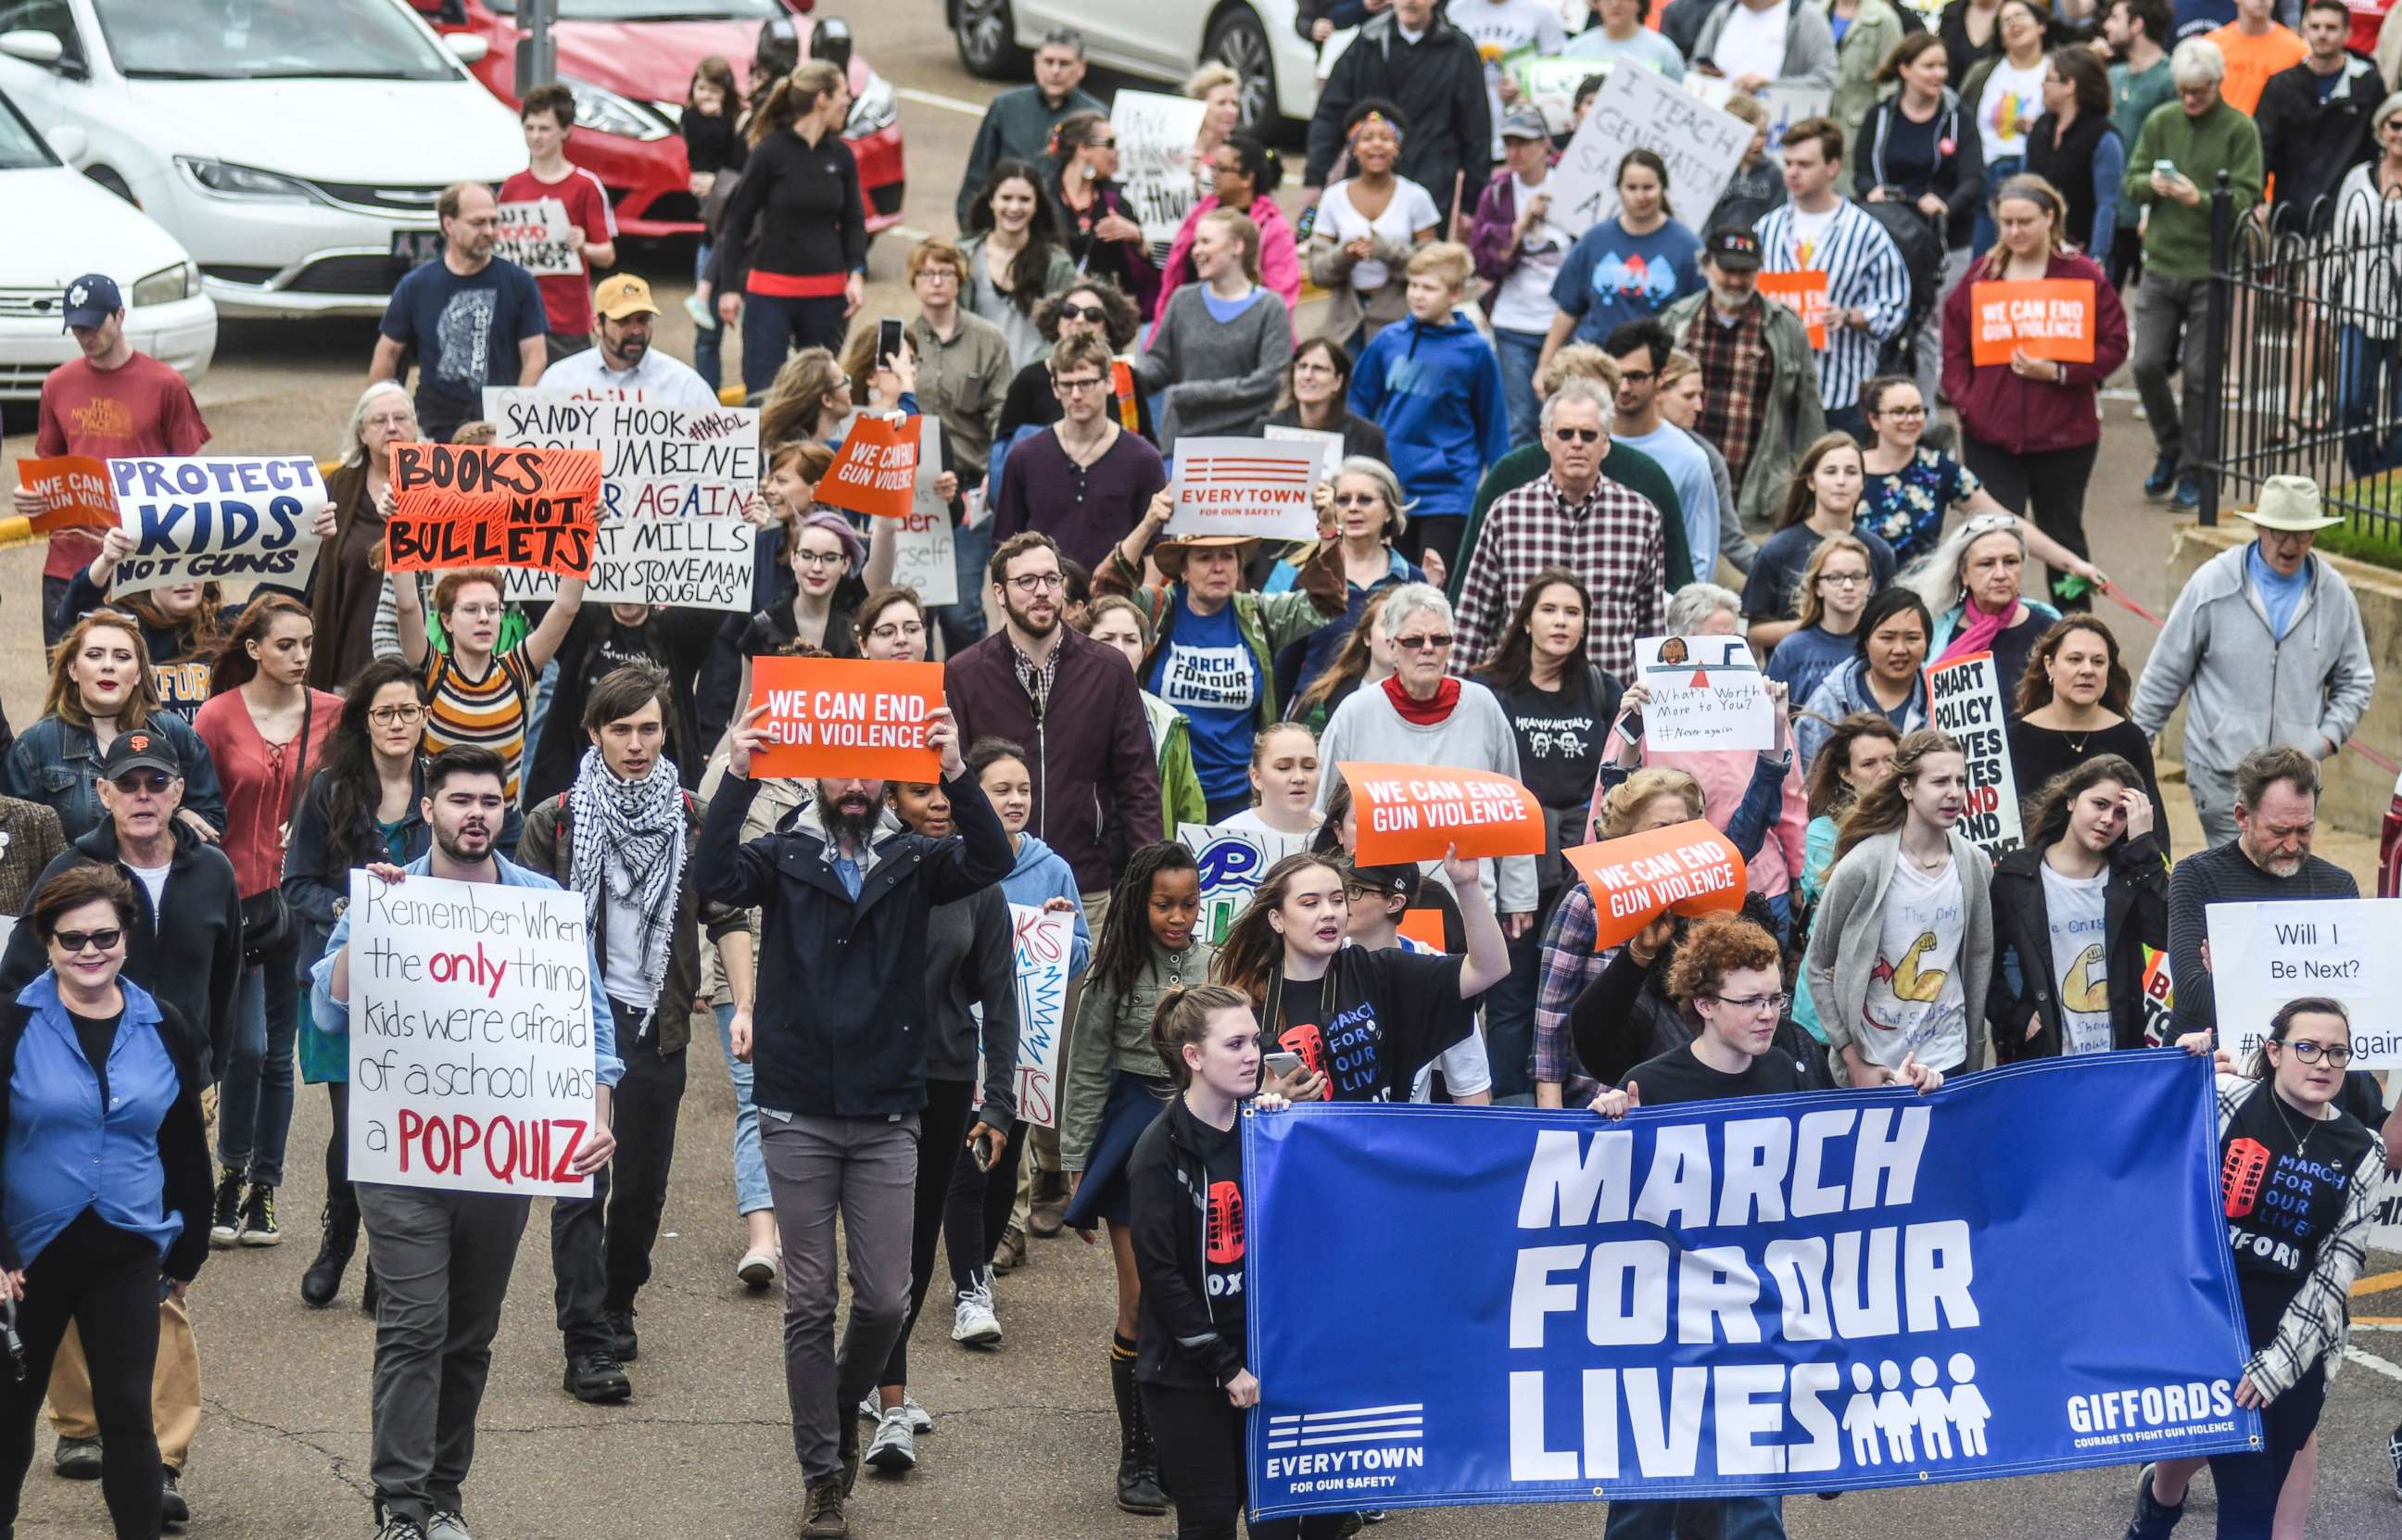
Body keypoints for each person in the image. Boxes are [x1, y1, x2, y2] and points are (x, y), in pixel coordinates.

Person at [698, 693, 1006, 1537]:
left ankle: (837, 1407)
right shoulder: (784, 852)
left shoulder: (916, 858)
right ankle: (821, 1477)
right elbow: (714, 880)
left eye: (872, 768)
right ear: (818, 774)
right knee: (810, 1300)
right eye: (842, 768)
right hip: (796, 1105)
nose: (857, 784)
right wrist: (733, 773)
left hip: (885, 1108)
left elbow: (992, 858)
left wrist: (955, 773)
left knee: (883, 1299)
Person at [311, 746, 620, 1540]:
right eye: (459, 800)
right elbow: (328, 1010)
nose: (475, 814)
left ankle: (445, 1495)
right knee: (414, 1325)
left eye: (489, 800)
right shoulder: (391, 895)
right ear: (429, 809)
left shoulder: (542, 904)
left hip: (502, 1156)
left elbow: (590, 1027)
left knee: (469, 1336)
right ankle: (400, 1506)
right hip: (402, 1154)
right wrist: (370, 926)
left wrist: (596, 1114)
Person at [1584, 911, 1936, 1539]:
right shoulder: (1651, 1084)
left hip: (1759, 1326)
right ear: (1703, 1004)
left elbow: (1838, 1163)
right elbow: (1611, 1208)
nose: (1768, 1013)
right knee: (1650, 1502)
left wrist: (1909, 1094)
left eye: (1774, 996)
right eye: (1749, 1001)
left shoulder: (1788, 1066)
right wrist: (1606, 1122)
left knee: (1751, 1513)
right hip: (1675, 1332)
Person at [0, 726, 239, 1526]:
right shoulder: (12, 1026)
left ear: (125, 939)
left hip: (130, 1248)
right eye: (73, 940)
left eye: (107, 937)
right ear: (47, 944)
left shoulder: (163, 1025)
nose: (92, 951)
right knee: (7, 1428)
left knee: (132, 1426)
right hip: (29, 1254)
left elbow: (181, 1146)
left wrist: (191, 1241)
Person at [517, 664, 746, 1401]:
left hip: (657, 1022)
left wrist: (745, 1004)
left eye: (649, 728)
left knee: (643, 1190)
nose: (637, 743)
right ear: (594, 733)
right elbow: (516, 924)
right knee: (581, 1183)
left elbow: (725, 912)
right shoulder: (555, 820)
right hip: (575, 1025)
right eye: (621, 729)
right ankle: (585, 1343)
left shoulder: (690, 816)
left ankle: (618, 1301)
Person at [2121, 1000, 2386, 1540]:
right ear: (2274, 1051)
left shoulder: (2365, 1151)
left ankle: (2160, 1509)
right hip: (2204, 1319)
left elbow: (2335, 1275)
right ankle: (2159, 1506)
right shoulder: (2223, 1099)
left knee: (2254, 1495)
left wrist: (2278, 1366)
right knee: (2217, 1469)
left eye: (2337, 1052)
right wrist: (2174, 1070)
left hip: (2289, 1336)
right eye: (2306, 1048)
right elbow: (2136, 1125)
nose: (2323, 1063)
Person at [860, 770, 1017, 1475]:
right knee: (882, 1246)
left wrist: (1000, 1104)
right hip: (867, 1086)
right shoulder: (869, 868)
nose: (939, 804)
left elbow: (1003, 1001)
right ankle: (881, 1388)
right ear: (890, 801)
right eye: (919, 793)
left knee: (919, 1245)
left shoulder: (977, 886)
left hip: (947, 1081)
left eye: (945, 792)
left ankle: (878, 1378)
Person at [1126, 989, 1325, 1540]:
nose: (1252, 1055)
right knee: (1211, 1518)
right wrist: (1224, 1366)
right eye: (1234, 1044)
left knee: (1280, 1522)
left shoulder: (1265, 1130)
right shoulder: (1157, 1152)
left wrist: (1287, 1129)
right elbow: (1161, 1277)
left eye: (1255, 1041)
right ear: (1193, 1056)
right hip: (1187, 1374)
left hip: (1265, 1358)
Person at [1056, 842, 1211, 1516]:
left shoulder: (1213, 962)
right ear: (1138, 902)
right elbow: (1088, 1066)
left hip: (1204, 1134)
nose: (1178, 917)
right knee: (1143, 1296)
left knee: (1198, 1291)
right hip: (1133, 1137)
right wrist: (1075, 1162)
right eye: (1164, 904)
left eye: (1189, 903)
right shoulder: (1112, 970)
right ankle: (1138, 1451)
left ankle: (1184, 1444)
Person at [191, 598, 341, 1252]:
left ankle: (265, 1191)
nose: (300, 656)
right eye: (286, 645)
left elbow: (348, 796)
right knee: (244, 1045)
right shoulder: (216, 716)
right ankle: (229, 1173)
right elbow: (197, 801)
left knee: (281, 1050)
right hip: (235, 903)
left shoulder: (333, 715)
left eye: (307, 644)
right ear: (253, 648)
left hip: (299, 903)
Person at [281, 661, 430, 1312]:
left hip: (425, 995)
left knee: (405, 1124)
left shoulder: (445, 789)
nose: (398, 723)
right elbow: (296, 886)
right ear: (364, 721)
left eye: (409, 711)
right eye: (385, 712)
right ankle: (338, 1238)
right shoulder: (329, 790)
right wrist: (352, 910)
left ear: (426, 716)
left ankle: (384, 1261)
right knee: (354, 1125)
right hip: (344, 989)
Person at [2130, 478, 2371, 847]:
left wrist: (2322, 740)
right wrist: (2133, 750)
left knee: (2282, 870)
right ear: (2259, 527)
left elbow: (2356, 680)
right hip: (2221, 772)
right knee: (2237, 876)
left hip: (2295, 778)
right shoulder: (2213, 583)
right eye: (2279, 532)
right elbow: (2166, 671)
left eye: (2302, 534)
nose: (2290, 545)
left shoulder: (2334, 594)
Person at [1311, 584, 1540, 933]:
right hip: (1374, 906)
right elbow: (1322, 811)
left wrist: (1519, 895)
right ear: (1391, 645)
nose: (1428, 649)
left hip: (1468, 902)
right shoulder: (1356, 712)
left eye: (1439, 639)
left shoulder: (1483, 706)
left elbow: (1512, 804)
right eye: (1414, 641)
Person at [1472, 568, 1621, 1103]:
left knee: (1567, 992)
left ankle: (1566, 1098)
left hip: (1581, 861)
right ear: (1527, 621)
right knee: (1511, 991)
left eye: (1573, 612)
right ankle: (1510, 1104)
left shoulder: (1603, 689)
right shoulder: (1489, 688)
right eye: (1550, 610)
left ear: (1585, 625)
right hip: (1515, 855)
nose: (1561, 621)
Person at [951, 532, 1165, 903]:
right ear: (999, 593)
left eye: (1052, 579)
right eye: (1026, 581)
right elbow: (953, 782)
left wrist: (1147, 877)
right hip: (993, 886)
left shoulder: (1109, 669)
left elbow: (1138, 781)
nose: (1041, 591)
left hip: (1087, 883)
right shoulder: (964, 673)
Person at [1100, 514, 1345, 822]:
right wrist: (1149, 522)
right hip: (1164, 790)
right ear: (1183, 571)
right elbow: (1105, 593)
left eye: (1227, 556)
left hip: (1242, 796)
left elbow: (1328, 601)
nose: (1218, 567)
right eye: (1204, 557)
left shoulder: (1257, 613)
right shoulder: (1157, 608)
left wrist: (1328, 528)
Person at [1216, 850, 1509, 1103]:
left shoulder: (1379, 971)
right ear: (1276, 919)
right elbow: (1215, 1108)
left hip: (1375, 1159)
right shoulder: (1245, 998)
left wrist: (1467, 884)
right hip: (1295, 1161)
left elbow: (1489, 969)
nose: (1329, 913)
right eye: (1310, 903)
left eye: (1338, 900)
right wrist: (1266, 1097)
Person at [14, 273, 209, 650]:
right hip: (68, 563)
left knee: (135, 683)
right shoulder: (57, 384)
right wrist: (30, 493)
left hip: (139, 564)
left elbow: (193, 474)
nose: (85, 336)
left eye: (93, 325)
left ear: (119, 316)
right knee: (65, 682)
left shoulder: (165, 384)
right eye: (76, 328)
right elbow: (50, 465)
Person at [1806, 727, 1996, 1085]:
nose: (1954, 793)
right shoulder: (1863, 866)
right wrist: (1853, 1058)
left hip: (1948, 1056)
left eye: (1960, 780)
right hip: (1879, 1062)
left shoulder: (1975, 864)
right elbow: (1817, 967)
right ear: (1907, 788)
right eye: (1939, 782)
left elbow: (1976, 959)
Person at [2124, 38, 2264, 510]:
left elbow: (2247, 197)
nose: (2190, 100)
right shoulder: (2162, 121)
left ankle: (2194, 469)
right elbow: (2133, 178)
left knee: (2203, 375)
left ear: (2217, 85)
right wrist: (2154, 185)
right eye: (2183, 91)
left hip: (2212, 267)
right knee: (2145, 362)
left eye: (2199, 92)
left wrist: (2198, 200)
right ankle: (2172, 444)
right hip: (2162, 261)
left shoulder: (2239, 129)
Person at [1454, 379, 1667, 679]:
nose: (1577, 444)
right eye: (1565, 434)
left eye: (1589, 435)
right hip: (1520, 694)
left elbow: (1652, 626)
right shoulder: (1508, 513)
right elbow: (1473, 619)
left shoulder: (1641, 517)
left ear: (1606, 443)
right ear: (1545, 438)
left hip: (1610, 698)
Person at [1455, 348, 1689, 605]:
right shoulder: (1510, 473)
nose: (1584, 407)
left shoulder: (1646, 476)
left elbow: (1677, 582)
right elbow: (1471, 583)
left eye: (1597, 400)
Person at [2163, 745, 2358, 1044]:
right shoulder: (2195, 877)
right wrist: (2305, 980)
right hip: (2214, 1060)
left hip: (2305, 1064)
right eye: (2279, 831)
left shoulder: (2338, 887)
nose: (2292, 845)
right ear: (2242, 817)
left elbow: (2348, 1001)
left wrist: (2233, 971)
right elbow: (2194, 996)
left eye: (2304, 830)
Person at [1986, 753, 2167, 1060]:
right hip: (2044, 1057)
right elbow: (1985, 961)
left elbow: (2164, 933)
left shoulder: (2129, 876)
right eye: (2099, 804)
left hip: (2117, 1055)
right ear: (2071, 800)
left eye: (2122, 813)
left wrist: (2145, 847)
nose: (2109, 819)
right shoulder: (2017, 875)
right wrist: (2015, 1017)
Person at [1348, 242, 1510, 570]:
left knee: (1435, 591)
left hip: (1449, 492)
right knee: (1393, 589)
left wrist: (1500, 487)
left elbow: (1493, 423)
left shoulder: (1475, 350)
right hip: (1392, 489)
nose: (1418, 295)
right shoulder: (1389, 340)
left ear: (1455, 294)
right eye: (1413, 285)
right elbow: (1357, 404)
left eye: (1429, 288)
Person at [3, 611, 225, 846]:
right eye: (95, 655)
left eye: (122, 657)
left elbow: (211, 822)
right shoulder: (36, 745)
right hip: (71, 881)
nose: (108, 666)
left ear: (139, 673)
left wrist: (178, 817)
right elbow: (16, 840)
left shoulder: (174, 734)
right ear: (73, 669)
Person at [396, 566, 587, 840]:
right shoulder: (433, 670)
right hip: (438, 829)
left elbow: (566, 607)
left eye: (493, 609)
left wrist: (584, 534)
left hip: (503, 830)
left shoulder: (517, 669)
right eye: (471, 610)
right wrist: (397, 537)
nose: (484, 618)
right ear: (447, 621)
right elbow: (407, 607)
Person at [1755, 117, 1913, 438]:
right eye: (1787, 163)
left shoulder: (1864, 232)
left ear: (1832, 167)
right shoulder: (1767, 228)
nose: (1792, 172)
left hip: (1841, 389)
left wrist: (1852, 316)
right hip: (1777, 387)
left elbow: (1896, 303)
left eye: (1804, 164)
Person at [1662, 227, 1830, 528]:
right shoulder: (1677, 322)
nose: (1737, 281)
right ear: (1706, 266)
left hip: (1757, 492)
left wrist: (1807, 476)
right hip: (1684, 481)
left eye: (1746, 271)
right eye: (1728, 270)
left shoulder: (1785, 326)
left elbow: (1808, 407)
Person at [1855, 32, 1987, 410]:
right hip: (1890, 236)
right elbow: (1862, 170)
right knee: (1885, 324)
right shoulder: (1881, 115)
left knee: (1929, 329)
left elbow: (1974, 178)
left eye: (1942, 66)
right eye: (1928, 66)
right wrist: (1873, 192)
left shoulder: (1957, 118)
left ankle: (1923, 413)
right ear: (1905, 69)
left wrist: (1945, 204)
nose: (1938, 74)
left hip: (1942, 242)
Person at [716, 61, 866, 394]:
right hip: (771, 293)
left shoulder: (841, 156)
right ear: (822, 99)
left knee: (819, 395)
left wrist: (856, 272)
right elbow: (737, 222)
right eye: (844, 93)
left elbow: (855, 220)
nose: (849, 100)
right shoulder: (771, 152)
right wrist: (728, 287)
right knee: (762, 393)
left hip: (826, 295)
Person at [369, 183, 547, 443]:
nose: (488, 231)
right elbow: (388, 352)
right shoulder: (416, 285)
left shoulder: (520, 283)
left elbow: (535, 356)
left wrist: (514, 418)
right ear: (449, 224)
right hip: (434, 421)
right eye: (477, 223)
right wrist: (375, 413)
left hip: (497, 419)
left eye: (493, 222)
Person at [1304, 0, 1491, 234]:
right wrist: (1314, 178)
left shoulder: (1458, 50)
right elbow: (1330, 113)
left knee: (1423, 265)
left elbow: (1476, 130)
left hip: (1431, 183)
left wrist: (1471, 205)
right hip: (1369, 181)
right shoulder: (1368, 41)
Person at [992, 333, 1169, 575]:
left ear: (1109, 382)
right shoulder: (1024, 457)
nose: (1076, 394)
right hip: (1043, 604)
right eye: (1067, 384)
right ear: (1055, 387)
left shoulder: (1143, 458)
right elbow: (1004, 548)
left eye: (1086, 383)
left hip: (1119, 605)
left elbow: (1154, 551)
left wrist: (1145, 608)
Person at [1134, 209, 1295, 451]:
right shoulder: (1182, 300)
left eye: (1206, 241)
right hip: (1181, 441)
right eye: (1196, 242)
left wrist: (1194, 394)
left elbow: (1270, 382)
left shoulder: (1270, 307)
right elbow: (1159, 363)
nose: (1195, 250)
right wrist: (1127, 376)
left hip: (1244, 444)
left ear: (1237, 247)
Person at [1267, 455, 1423, 700]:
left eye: (1365, 499)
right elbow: (1286, 663)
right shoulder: (1311, 576)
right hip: (1316, 716)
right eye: (1342, 500)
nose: (1352, 508)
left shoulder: (1412, 580)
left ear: (1389, 512)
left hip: (1390, 713)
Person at [1541, 153, 1707, 379]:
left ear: (1663, 188)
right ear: (1619, 189)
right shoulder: (1595, 240)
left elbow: (1702, 313)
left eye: (1648, 187)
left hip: (1656, 371)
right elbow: (1568, 310)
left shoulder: (1688, 247)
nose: (1640, 196)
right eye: (1631, 187)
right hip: (1597, 366)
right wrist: (1544, 365)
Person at [1790, 711, 1900, 1046]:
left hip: (1894, 995)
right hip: (1829, 1003)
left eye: (1891, 760)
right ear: (1846, 775)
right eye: (1869, 764)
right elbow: (1851, 900)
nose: (1884, 771)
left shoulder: (1919, 823)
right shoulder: (1823, 832)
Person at [1471, 108, 1576, 448]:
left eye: (1524, 143)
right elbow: (1484, 262)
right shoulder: (1499, 191)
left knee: (1567, 419)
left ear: (1545, 145)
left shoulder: (1570, 180)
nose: (1515, 152)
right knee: (1519, 423)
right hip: (1514, 320)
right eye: (1509, 143)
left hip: (1565, 322)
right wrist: (1520, 226)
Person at [2009, 616, 2169, 836]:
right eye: (2075, 659)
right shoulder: (2016, 739)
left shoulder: (2130, 738)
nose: (2087, 670)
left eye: (2098, 661)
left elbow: (2153, 826)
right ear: (2050, 665)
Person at [1743, 431, 1898, 653]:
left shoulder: (1879, 551)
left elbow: (1890, 620)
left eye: (1851, 472)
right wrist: (1817, 625)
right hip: (1795, 676)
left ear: (1863, 483)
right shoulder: (1776, 550)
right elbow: (1749, 629)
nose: (1841, 481)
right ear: (1811, 481)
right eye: (1830, 471)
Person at [1308, 101, 1444, 351]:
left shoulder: (1416, 197)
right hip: (1346, 327)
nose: (1377, 145)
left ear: (1397, 147)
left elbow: (1433, 268)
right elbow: (1318, 272)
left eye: (1386, 138)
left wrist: (1385, 250)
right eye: (1367, 138)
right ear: (1354, 148)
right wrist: (1345, 254)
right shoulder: (1333, 197)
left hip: (1402, 325)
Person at [499, 82, 618, 364]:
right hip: (518, 316)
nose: (536, 137)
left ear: (565, 131)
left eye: (545, 129)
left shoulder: (585, 186)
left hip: (567, 321)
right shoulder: (512, 187)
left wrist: (583, 247)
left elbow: (607, 254)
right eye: (530, 128)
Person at [52, 541, 235, 724]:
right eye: (169, 568)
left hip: (205, 751)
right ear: (144, 571)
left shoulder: (225, 626)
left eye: (193, 566)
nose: (185, 580)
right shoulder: (126, 627)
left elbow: (264, 606)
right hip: (139, 749)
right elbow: (73, 617)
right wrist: (106, 561)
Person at [312, 385, 419, 693]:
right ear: (361, 432)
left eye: (401, 418)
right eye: (379, 420)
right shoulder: (339, 487)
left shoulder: (438, 481)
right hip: (349, 667)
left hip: (417, 666)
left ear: (415, 424)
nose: (391, 428)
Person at [1606, 317, 1721, 587]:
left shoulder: (1691, 459)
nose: (1623, 387)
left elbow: (1699, 554)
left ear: (1661, 376)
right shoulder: (1582, 441)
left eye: (1635, 377)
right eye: (1616, 375)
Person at [957, 28, 1107, 229]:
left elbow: (1106, 182)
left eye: (1064, 64)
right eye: (1048, 62)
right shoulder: (1005, 107)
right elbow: (977, 177)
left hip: (1066, 234)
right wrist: (972, 232)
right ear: (1036, 62)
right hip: (1007, 227)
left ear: (1081, 68)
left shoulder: (1097, 117)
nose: (1055, 71)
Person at [1906, 513, 2062, 705]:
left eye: (2011, 562)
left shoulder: (2050, 627)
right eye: (1986, 564)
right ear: (1964, 574)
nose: (2000, 574)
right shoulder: (1937, 628)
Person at [1084, 597, 1208, 833]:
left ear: (1144, 650)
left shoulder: (1167, 720)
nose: (1119, 649)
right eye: (1107, 638)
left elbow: (1189, 812)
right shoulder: (1060, 708)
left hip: (1146, 857)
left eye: (1130, 640)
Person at [994, 279, 1157, 447]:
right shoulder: (1028, 380)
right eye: (1069, 311)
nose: (1079, 320)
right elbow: (1004, 450)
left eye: (1093, 315)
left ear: (1108, 326)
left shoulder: (1127, 378)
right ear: (1056, 321)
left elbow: (1148, 447)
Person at [2332, 94, 2402, 481]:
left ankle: (2389, 478)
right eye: (2396, 125)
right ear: (2381, 129)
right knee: (2349, 405)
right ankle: (2368, 475)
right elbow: (2340, 243)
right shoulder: (2358, 178)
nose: (2401, 134)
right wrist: (2328, 301)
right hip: (2360, 307)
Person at [1157, 134, 1299, 320]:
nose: (1213, 175)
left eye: (1221, 169)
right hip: (1189, 325)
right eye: (1212, 167)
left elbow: (1281, 296)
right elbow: (1175, 275)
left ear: (1247, 178)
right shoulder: (1202, 212)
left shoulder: (1272, 228)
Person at [960, 160, 1077, 373]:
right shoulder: (964, 256)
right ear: (991, 201)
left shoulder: (1057, 265)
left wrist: (1034, 376)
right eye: (1006, 198)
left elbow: (1065, 331)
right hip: (977, 386)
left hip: (1033, 384)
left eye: (1024, 200)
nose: (1014, 208)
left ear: (1036, 205)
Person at [1797, 587, 1935, 765]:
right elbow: (1806, 776)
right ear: (1866, 641)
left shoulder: (1943, 696)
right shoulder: (1830, 702)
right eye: (1887, 638)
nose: (1900, 649)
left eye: (1912, 638)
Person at [1047, 111, 1163, 321]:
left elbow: (1146, 275)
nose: (1116, 151)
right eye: (1110, 143)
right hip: (1050, 313)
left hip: (1097, 318)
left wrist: (1137, 237)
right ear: (1084, 148)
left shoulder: (1115, 201)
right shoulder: (1045, 197)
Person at [1959, 0, 2055, 248]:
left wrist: (2039, 128)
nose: (2013, 24)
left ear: (2041, 25)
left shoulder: (2057, 69)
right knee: (1985, 258)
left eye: (2020, 16)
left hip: (2036, 173)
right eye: (2005, 20)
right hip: (1989, 172)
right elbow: (1962, 118)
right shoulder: (1984, 72)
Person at [536, 274, 717, 405]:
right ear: (598, 325)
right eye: (623, 321)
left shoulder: (685, 385)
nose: (636, 330)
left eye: (643, 319)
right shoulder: (560, 380)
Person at [1656, 348, 1756, 579]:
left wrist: (1776, 574)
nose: (1699, 406)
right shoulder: (1607, 440)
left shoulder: (1705, 458)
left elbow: (1730, 537)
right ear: (1658, 391)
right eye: (1688, 396)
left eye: (1700, 396)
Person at [2024, 47, 2126, 266]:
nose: (2043, 85)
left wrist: (2097, 259)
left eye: (2048, 79)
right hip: (2037, 250)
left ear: (2069, 85)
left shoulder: (2103, 137)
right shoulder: (2041, 127)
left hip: (2082, 251)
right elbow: (2024, 187)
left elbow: (2107, 206)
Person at [682, 56, 748, 391]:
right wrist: (712, 115)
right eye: (699, 87)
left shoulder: (737, 122)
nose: (704, 95)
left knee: (754, 332)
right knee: (707, 337)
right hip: (713, 228)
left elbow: (737, 160)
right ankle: (707, 395)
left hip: (737, 231)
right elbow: (705, 141)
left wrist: (718, 179)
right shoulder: (693, 118)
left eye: (712, 89)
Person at [2103, 0, 2177, 287]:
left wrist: (2149, 209)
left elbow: (2173, 145)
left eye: (2115, 18)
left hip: (2149, 210)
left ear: (2137, 24)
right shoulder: (2112, 75)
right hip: (2112, 208)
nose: (2107, 25)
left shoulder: (2170, 76)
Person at [1767, 530, 1879, 705]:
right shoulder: (1792, 649)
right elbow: (1769, 715)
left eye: (1857, 576)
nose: (1848, 586)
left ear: (1868, 584)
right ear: (1817, 586)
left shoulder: (1880, 645)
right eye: (1836, 577)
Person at [1263, 337, 1388, 462]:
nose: (1307, 376)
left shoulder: (1367, 438)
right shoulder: (1264, 429)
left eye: (1318, 368)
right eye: (1302, 366)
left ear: (1338, 381)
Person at [1690, 0, 1842, 92]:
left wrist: (1770, 86)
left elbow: (1826, 80)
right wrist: (1706, 74)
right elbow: (1694, 65)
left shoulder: (1806, 17)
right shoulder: (1724, 11)